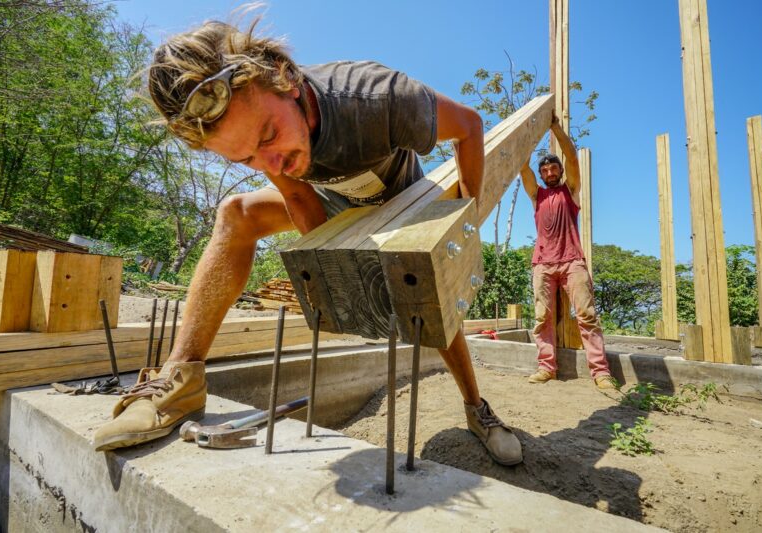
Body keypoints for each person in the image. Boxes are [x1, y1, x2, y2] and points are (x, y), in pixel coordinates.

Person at [93, 18, 523, 466]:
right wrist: (335, 275)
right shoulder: (267, 138)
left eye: (268, 136)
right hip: (332, 204)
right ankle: (180, 380)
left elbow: (470, 126)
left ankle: (477, 409)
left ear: (286, 79)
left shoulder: (380, 98)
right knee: (236, 213)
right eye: (246, 157)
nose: (271, 162)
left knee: (429, 302)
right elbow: (297, 192)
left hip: (401, 203)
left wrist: (465, 222)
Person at [519, 119, 615, 390]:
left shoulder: (570, 190)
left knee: (586, 315)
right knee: (541, 318)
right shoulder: (536, 195)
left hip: (573, 260)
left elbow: (573, 158)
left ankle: (600, 372)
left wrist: (555, 128)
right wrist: (529, 134)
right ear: (541, 174)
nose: (549, 171)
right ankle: (546, 367)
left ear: (560, 171)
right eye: (545, 169)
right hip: (542, 263)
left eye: (553, 167)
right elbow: (522, 167)